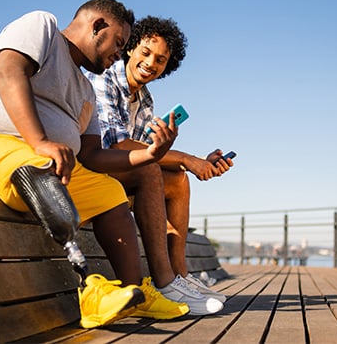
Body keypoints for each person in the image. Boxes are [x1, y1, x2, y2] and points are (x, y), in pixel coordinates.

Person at [0, 0, 197, 329]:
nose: (119, 54)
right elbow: (9, 70)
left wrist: (151, 154)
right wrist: (40, 142)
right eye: (119, 44)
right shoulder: (42, 27)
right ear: (97, 26)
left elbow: (93, 155)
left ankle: (133, 293)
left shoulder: (85, 92)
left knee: (110, 194)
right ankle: (87, 287)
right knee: (40, 167)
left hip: (48, 169)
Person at [85, 16, 234, 314]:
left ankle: (180, 277)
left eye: (161, 60)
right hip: (89, 168)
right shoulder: (106, 80)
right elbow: (119, 147)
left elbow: (146, 152)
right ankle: (165, 282)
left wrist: (198, 163)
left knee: (178, 180)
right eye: (145, 52)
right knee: (156, 169)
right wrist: (187, 159)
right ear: (129, 49)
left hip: (121, 176)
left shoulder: (145, 100)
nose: (151, 63)